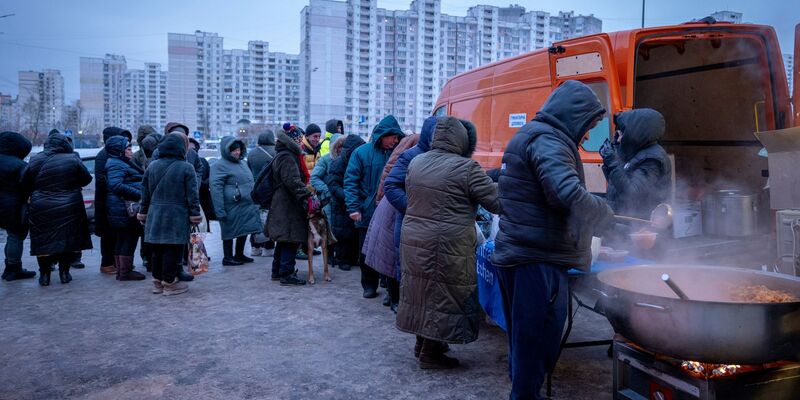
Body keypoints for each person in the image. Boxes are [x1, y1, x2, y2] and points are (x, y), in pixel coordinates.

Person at [493, 80, 614, 399]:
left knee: (527, 343)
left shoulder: (534, 134)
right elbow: (566, 194)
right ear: (573, 117)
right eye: (587, 126)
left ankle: (526, 392)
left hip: (526, 253)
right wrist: (605, 214)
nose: (587, 135)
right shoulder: (549, 139)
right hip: (536, 258)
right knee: (537, 343)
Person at [396, 117, 501, 369]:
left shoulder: (417, 161)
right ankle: (430, 355)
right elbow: (496, 202)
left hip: (414, 238)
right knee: (442, 295)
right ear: (463, 140)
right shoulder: (466, 168)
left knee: (422, 292)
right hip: (446, 244)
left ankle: (424, 345)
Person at [383, 115, 440, 307]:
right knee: (407, 265)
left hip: (433, 224)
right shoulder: (411, 155)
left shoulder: (446, 158)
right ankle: (404, 305)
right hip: (410, 220)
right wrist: (414, 207)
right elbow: (391, 186)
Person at [344, 115, 404, 298]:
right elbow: (350, 182)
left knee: (388, 250)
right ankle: (369, 285)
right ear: (383, 135)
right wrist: (354, 208)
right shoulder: (361, 153)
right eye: (393, 137)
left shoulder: (398, 154)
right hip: (366, 211)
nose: (395, 141)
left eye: (397, 138)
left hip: (389, 211)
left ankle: (389, 287)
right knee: (366, 251)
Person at [24, 133, 93, 286]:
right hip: (69, 205)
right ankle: (64, 274)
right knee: (66, 240)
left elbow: (25, 181)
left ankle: (44, 276)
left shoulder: (35, 159)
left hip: (41, 206)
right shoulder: (72, 158)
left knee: (43, 241)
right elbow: (86, 179)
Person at [137, 134, 202, 295]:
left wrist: (143, 213)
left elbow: (144, 193)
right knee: (172, 249)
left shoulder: (152, 165)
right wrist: (195, 215)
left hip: (155, 213)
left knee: (157, 249)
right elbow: (192, 195)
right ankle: (170, 283)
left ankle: (157, 283)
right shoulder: (186, 167)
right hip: (176, 214)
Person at [363, 133, 420, 311]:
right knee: (391, 255)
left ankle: (392, 296)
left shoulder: (406, 149)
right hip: (393, 205)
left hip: (389, 204)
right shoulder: (412, 152)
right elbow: (389, 176)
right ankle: (394, 299)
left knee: (389, 254)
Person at [600, 108, 672, 220]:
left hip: (640, 226)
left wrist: (612, 162)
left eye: (621, 132)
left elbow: (632, 193)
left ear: (634, 133)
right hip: (624, 220)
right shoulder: (635, 153)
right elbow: (616, 183)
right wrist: (614, 155)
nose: (618, 138)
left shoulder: (652, 159)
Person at [265, 128, 316, 286]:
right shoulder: (287, 156)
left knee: (283, 239)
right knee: (290, 238)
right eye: (299, 138)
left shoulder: (283, 153)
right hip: (288, 203)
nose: (301, 141)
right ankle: (286, 274)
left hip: (284, 201)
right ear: (292, 140)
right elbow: (293, 181)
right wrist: (307, 196)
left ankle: (277, 271)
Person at [210, 136, 262, 266]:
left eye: (238, 149)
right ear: (226, 150)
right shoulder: (219, 166)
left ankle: (239, 254)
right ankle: (227, 257)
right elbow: (216, 189)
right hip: (231, 205)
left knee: (243, 229)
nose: (237, 152)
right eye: (234, 150)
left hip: (245, 204)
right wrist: (219, 210)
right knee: (228, 231)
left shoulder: (242, 163)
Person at [104, 135, 146, 281]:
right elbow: (116, 185)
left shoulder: (119, 162)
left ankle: (122, 270)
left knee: (123, 238)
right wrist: (140, 194)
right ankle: (125, 271)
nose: (131, 151)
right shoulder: (116, 164)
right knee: (129, 238)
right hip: (124, 209)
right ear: (119, 150)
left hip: (121, 208)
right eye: (128, 149)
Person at [95, 127, 133, 274]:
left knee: (117, 234)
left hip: (115, 200)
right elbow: (104, 180)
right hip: (107, 201)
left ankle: (117, 263)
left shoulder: (116, 156)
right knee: (108, 234)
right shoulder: (104, 156)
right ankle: (107, 263)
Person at [0, 131, 37, 281]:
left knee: (11, 237)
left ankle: (9, 268)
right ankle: (14, 268)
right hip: (13, 206)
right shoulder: (20, 165)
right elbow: (28, 187)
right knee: (15, 236)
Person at [326, 135, 365, 272]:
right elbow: (332, 184)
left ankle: (353, 258)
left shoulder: (357, 161)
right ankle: (342, 259)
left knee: (353, 232)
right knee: (343, 234)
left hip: (353, 201)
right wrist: (347, 196)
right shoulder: (338, 163)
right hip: (342, 204)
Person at [309, 133, 344, 264]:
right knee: (329, 227)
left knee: (339, 227)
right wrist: (327, 190)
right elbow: (314, 178)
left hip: (340, 199)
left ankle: (339, 256)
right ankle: (329, 256)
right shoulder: (325, 160)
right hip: (328, 200)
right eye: (338, 146)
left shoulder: (346, 159)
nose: (341, 149)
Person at [246, 129, 276, 256]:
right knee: (270, 218)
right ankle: (268, 247)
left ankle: (255, 247)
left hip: (255, 190)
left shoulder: (252, 153)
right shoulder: (275, 152)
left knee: (257, 218)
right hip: (270, 190)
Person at [189, 138, 216, 230]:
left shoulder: (203, 161)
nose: (190, 151)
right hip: (188, 205)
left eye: (193, 149)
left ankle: (197, 244)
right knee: (186, 236)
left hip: (202, 202)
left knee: (198, 236)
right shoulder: (182, 163)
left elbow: (210, 178)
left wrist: (202, 183)